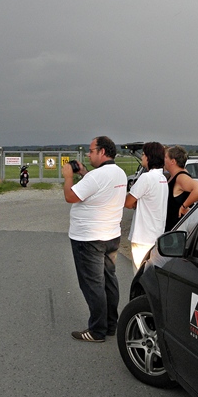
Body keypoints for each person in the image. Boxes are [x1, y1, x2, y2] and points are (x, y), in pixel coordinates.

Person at [62, 136, 128, 343]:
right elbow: (98, 186)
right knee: (109, 281)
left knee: (93, 284)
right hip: (111, 236)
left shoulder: (97, 176)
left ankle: (97, 331)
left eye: (91, 151)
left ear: (102, 152)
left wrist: (68, 177)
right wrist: (84, 173)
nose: (89, 155)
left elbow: (70, 196)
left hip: (88, 238)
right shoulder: (119, 173)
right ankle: (110, 325)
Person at [124, 142, 168, 270]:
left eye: (143, 154)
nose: (142, 157)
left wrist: (135, 202)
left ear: (149, 157)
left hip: (142, 237)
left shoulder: (146, 178)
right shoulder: (162, 178)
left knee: (139, 272)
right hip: (156, 235)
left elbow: (128, 202)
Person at [164, 145, 198, 232]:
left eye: (166, 157)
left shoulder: (181, 177)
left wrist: (184, 206)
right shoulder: (174, 176)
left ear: (173, 161)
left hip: (181, 225)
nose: (163, 160)